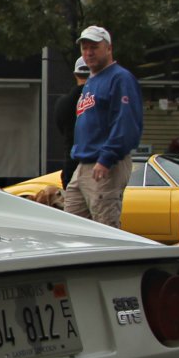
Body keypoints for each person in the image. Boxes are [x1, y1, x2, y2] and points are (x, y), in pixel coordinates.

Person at [63, 25, 142, 228]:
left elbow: (126, 123)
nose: (88, 52)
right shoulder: (92, 80)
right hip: (83, 164)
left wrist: (107, 158)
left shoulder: (120, 78)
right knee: (71, 227)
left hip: (105, 164)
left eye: (94, 47)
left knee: (105, 226)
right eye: (84, 48)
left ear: (108, 48)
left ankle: (114, 260)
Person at [55, 56, 90, 189]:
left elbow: (61, 129)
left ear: (75, 74)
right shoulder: (98, 100)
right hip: (95, 168)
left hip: (70, 167)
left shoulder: (63, 103)